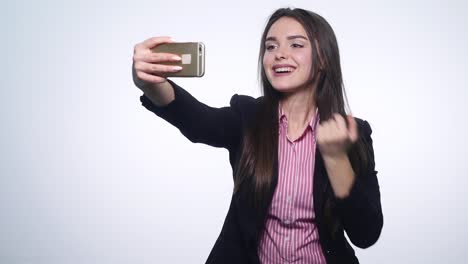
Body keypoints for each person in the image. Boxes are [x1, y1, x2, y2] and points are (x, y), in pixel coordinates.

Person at [132, 7, 383, 264]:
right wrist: (150, 83)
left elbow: (366, 233)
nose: (279, 55)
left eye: (296, 44)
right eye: (270, 47)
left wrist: (336, 159)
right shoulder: (247, 117)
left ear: (323, 59)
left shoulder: (353, 132)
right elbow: (198, 121)